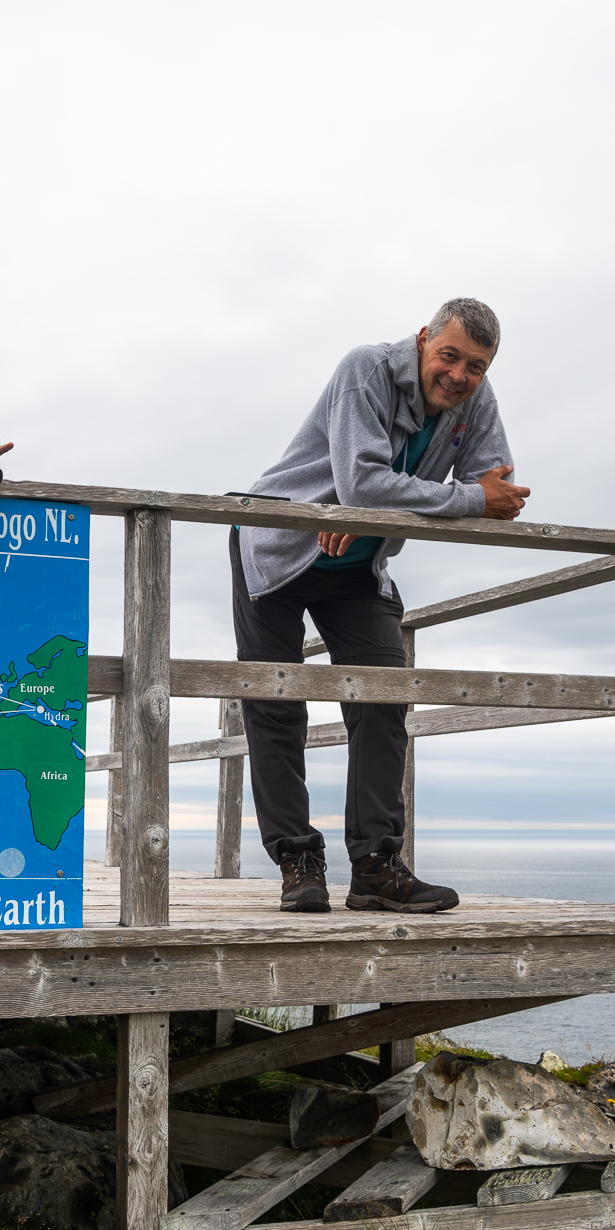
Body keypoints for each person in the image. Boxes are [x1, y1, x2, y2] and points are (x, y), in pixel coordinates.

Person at [231, 298, 530, 914]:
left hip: (358, 564)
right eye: (449, 356)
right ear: (423, 340)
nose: (459, 376)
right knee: (276, 701)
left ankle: (374, 866)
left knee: (384, 698)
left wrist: (373, 510)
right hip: (279, 542)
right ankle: (297, 860)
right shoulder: (366, 367)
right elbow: (366, 481)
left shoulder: (476, 398)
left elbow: (494, 481)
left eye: (476, 366)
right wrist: (430, 499)